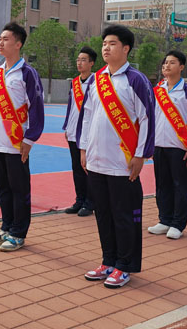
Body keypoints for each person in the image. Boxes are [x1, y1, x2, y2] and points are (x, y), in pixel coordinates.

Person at [77, 25, 155, 289]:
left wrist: (141, 155)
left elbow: (147, 119)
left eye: (112, 43)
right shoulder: (98, 79)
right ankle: (108, 261)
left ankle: (124, 265)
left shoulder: (136, 79)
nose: (106, 48)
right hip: (97, 160)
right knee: (104, 215)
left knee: (124, 215)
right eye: (104, 44)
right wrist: (84, 149)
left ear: (126, 48)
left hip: (123, 162)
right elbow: (87, 115)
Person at [0, 22, 45, 252]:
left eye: (6, 39)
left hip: (17, 142)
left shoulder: (27, 74)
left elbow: (36, 108)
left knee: (19, 190)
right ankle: (6, 227)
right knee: (3, 188)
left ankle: (19, 232)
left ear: (18, 44)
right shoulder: (0, 71)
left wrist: (29, 140)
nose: (1, 42)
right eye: (0, 38)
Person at [148, 50, 187, 240]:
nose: (167, 66)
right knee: (162, 184)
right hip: (159, 146)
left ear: (181, 67)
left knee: (180, 185)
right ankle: (164, 219)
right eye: (165, 63)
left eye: (172, 63)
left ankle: (178, 223)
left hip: (179, 147)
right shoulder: (157, 91)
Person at [62, 47, 97, 217]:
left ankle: (90, 203)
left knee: (88, 169)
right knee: (76, 168)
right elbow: (70, 107)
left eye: (84, 60)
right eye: (78, 59)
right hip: (73, 131)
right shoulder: (74, 82)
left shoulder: (96, 82)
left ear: (91, 63)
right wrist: (67, 126)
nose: (80, 62)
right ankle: (79, 199)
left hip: (88, 134)